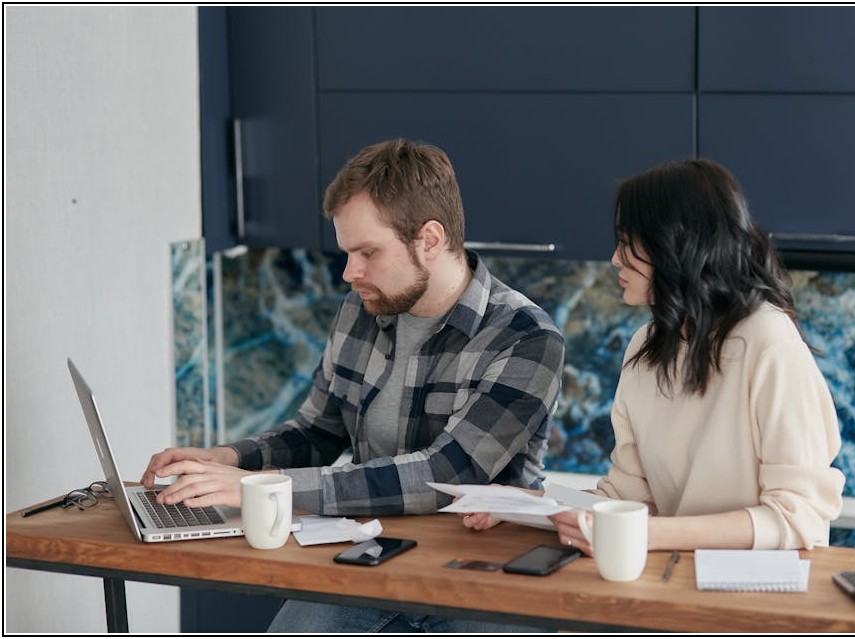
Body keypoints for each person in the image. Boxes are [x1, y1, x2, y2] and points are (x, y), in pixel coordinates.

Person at [140, 139, 564, 632]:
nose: (350, 273)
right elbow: (318, 431)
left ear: (429, 240)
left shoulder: (526, 337)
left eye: (368, 252)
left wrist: (264, 487)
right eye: (347, 252)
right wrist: (229, 460)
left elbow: (450, 473)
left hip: (484, 573)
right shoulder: (363, 308)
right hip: (378, 553)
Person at [465, 158, 845, 554]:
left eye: (629, 243)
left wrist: (645, 535)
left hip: (758, 595)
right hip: (674, 582)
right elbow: (628, 496)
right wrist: (525, 504)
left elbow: (799, 515)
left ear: (676, 244)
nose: (615, 259)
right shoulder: (645, 347)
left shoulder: (768, 340)